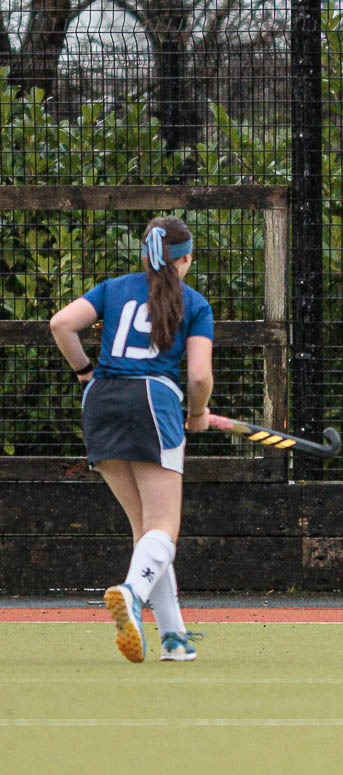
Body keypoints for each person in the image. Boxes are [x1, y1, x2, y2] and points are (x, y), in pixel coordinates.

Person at [49, 216, 213, 663]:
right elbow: (199, 376)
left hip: (100, 402)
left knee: (146, 531)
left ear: (144, 255)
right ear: (186, 259)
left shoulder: (113, 288)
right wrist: (198, 413)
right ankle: (132, 593)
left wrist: (85, 371)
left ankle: (174, 638)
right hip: (152, 403)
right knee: (164, 527)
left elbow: (61, 324)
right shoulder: (194, 303)